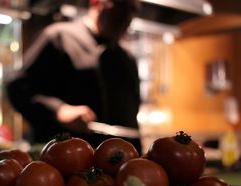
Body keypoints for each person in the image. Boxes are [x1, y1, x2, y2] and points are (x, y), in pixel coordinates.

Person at [7, 0, 142, 153]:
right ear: (96, 3)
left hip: (118, 162)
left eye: (133, 9)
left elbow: (132, 117)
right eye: (120, 6)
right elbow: (17, 87)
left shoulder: (126, 58)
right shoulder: (59, 37)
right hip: (66, 158)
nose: (126, 17)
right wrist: (59, 110)